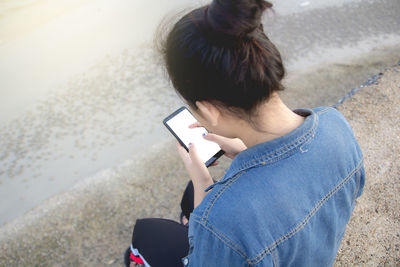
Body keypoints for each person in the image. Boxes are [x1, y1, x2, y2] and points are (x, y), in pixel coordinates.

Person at [125, 0, 365, 266]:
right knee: (187, 199)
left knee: (145, 235)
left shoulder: (220, 221)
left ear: (208, 110)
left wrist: (204, 190)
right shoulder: (335, 125)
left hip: (227, 233)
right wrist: (247, 153)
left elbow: (226, 227)